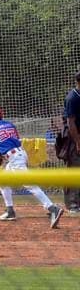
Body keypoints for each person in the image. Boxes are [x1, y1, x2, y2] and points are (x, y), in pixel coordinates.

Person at [0, 105, 63, 227]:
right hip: (20, 154)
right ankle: (10, 211)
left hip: (15, 159)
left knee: (30, 185)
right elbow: (12, 140)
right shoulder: (10, 125)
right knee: (3, 181)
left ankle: (53, 208)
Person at [62, 71, 80, 212]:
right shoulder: (72, 98)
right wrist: (78, 142)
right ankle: (72, 203)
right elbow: (71, 122)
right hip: (74, 137)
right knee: (74, 169)